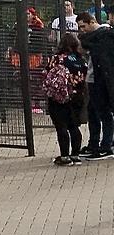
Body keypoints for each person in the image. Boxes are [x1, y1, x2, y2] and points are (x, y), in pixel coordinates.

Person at [43, 31, 88, 166]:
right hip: (77, 96)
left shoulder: (57, 59)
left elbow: (47, 74)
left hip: (59, 97)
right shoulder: (81, 60)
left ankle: (64, 156)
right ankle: (75, 155)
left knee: (61, 126)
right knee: (74, 125)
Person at [75, 12, 114, 158]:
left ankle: (106, 144)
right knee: (93, 112)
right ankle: (94, 143)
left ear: (92, 22)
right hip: (92, 77)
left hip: (102, 79)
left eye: (83, 26)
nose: (82, 30)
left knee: (104, 112)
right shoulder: (92, 38)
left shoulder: (104, 34)